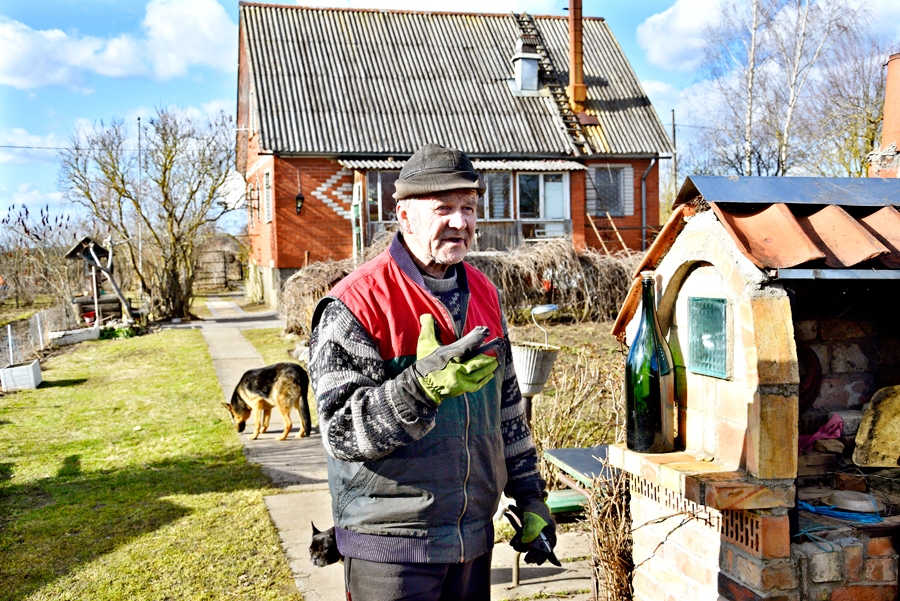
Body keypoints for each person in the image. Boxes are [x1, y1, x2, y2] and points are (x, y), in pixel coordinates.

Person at [308, 143, 556, 601]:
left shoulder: (484, 293)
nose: (460, 223)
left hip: (472, 540)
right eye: (443, 209)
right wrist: (419, 388)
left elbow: (507, 412)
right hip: (391, 546)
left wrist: (530, 494)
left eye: (469, 208)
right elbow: (341, 431)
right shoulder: (356, 303)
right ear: (404, 216)